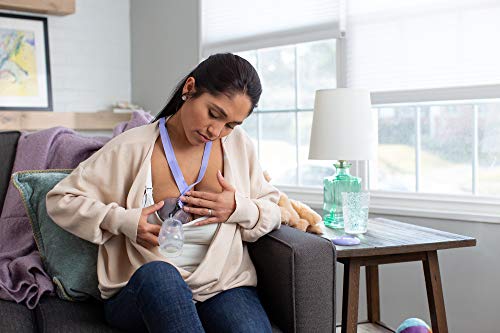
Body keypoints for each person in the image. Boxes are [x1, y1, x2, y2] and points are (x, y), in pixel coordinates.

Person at [46, 53, 281, 333]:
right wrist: (122, 221)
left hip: (222, 285)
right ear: (189, 88)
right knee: (162, 276)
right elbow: (61, 200)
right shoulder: (131, 147)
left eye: (231, 125)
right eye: (214, 114)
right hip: (145, 287)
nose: (216, 131)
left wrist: (238, 208)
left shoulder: (240, 147)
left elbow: (273, 208)